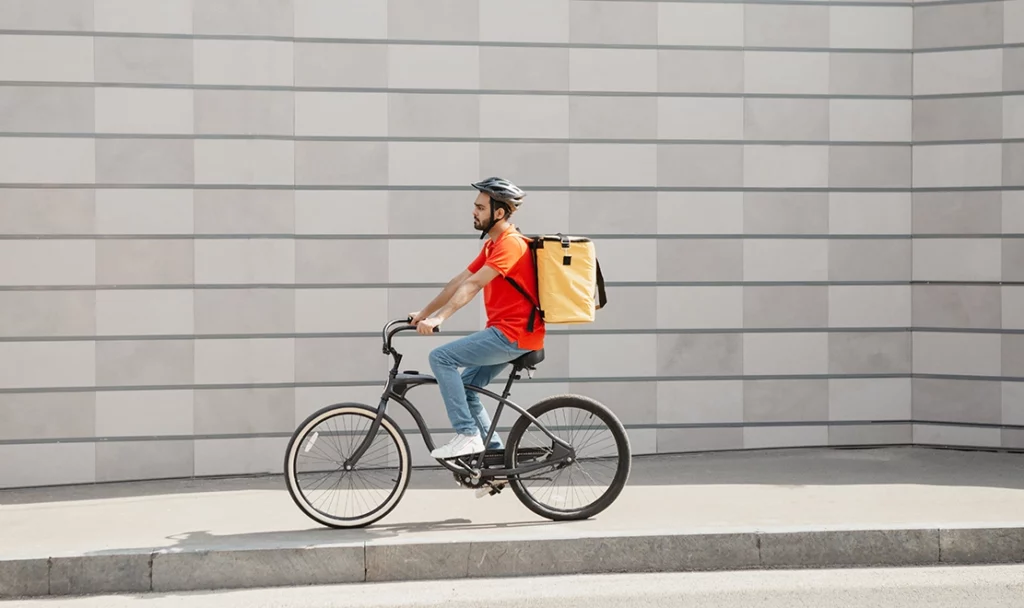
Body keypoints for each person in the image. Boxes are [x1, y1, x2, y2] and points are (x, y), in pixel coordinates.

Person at [409, 177, 545, 460]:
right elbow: (459, 280)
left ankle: (468, 435)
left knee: (441, 358)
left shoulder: (511, 245)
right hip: (506, 333)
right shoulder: (492, 246)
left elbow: (473, 285)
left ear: (499, 212)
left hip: (512, 335)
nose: (474, 212)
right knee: (469, 391)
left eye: (480, 207)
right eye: (475, 206)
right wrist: (423, 313)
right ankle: (495, 460)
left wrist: (439, 318)